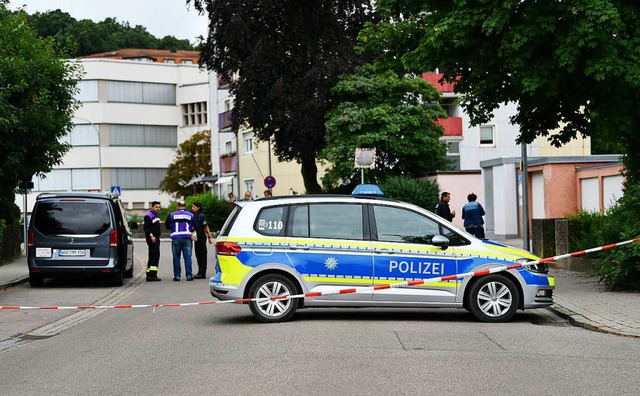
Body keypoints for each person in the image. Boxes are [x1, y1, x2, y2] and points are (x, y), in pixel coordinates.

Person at [165, 200, 196, 281]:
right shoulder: (190, 215)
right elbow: (195, 226)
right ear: (185, 206)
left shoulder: (172, 215)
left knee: (176, 257)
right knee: (188, 257)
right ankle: (189, 276)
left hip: (176, 237)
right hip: (187, 237)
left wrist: (172, 228)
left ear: (177, 206)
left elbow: (167, 225)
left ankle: (177, 276)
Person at [191, 201, 213, 279]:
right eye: (192, 207)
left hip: (201, 236)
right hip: (196, 236)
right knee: (198, 254)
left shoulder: (201, 216)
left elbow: (206, 226)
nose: (192, 208)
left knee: (202, 254)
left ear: (198, 208)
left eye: (194, 207)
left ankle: (202, 272)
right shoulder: (193, 215)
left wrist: (209, 236)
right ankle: (199, 271)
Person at [143, 201, 162, 281]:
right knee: (154, 256)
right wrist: (151, 236)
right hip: (152, 238)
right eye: (156, 207)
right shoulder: (149, 216)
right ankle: (152, 275)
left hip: (155, 237)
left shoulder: (155, 215)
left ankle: (149, 274)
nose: (158, 208)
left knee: (153, 256)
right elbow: (147, 228)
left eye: (159, 207)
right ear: (152, 207)